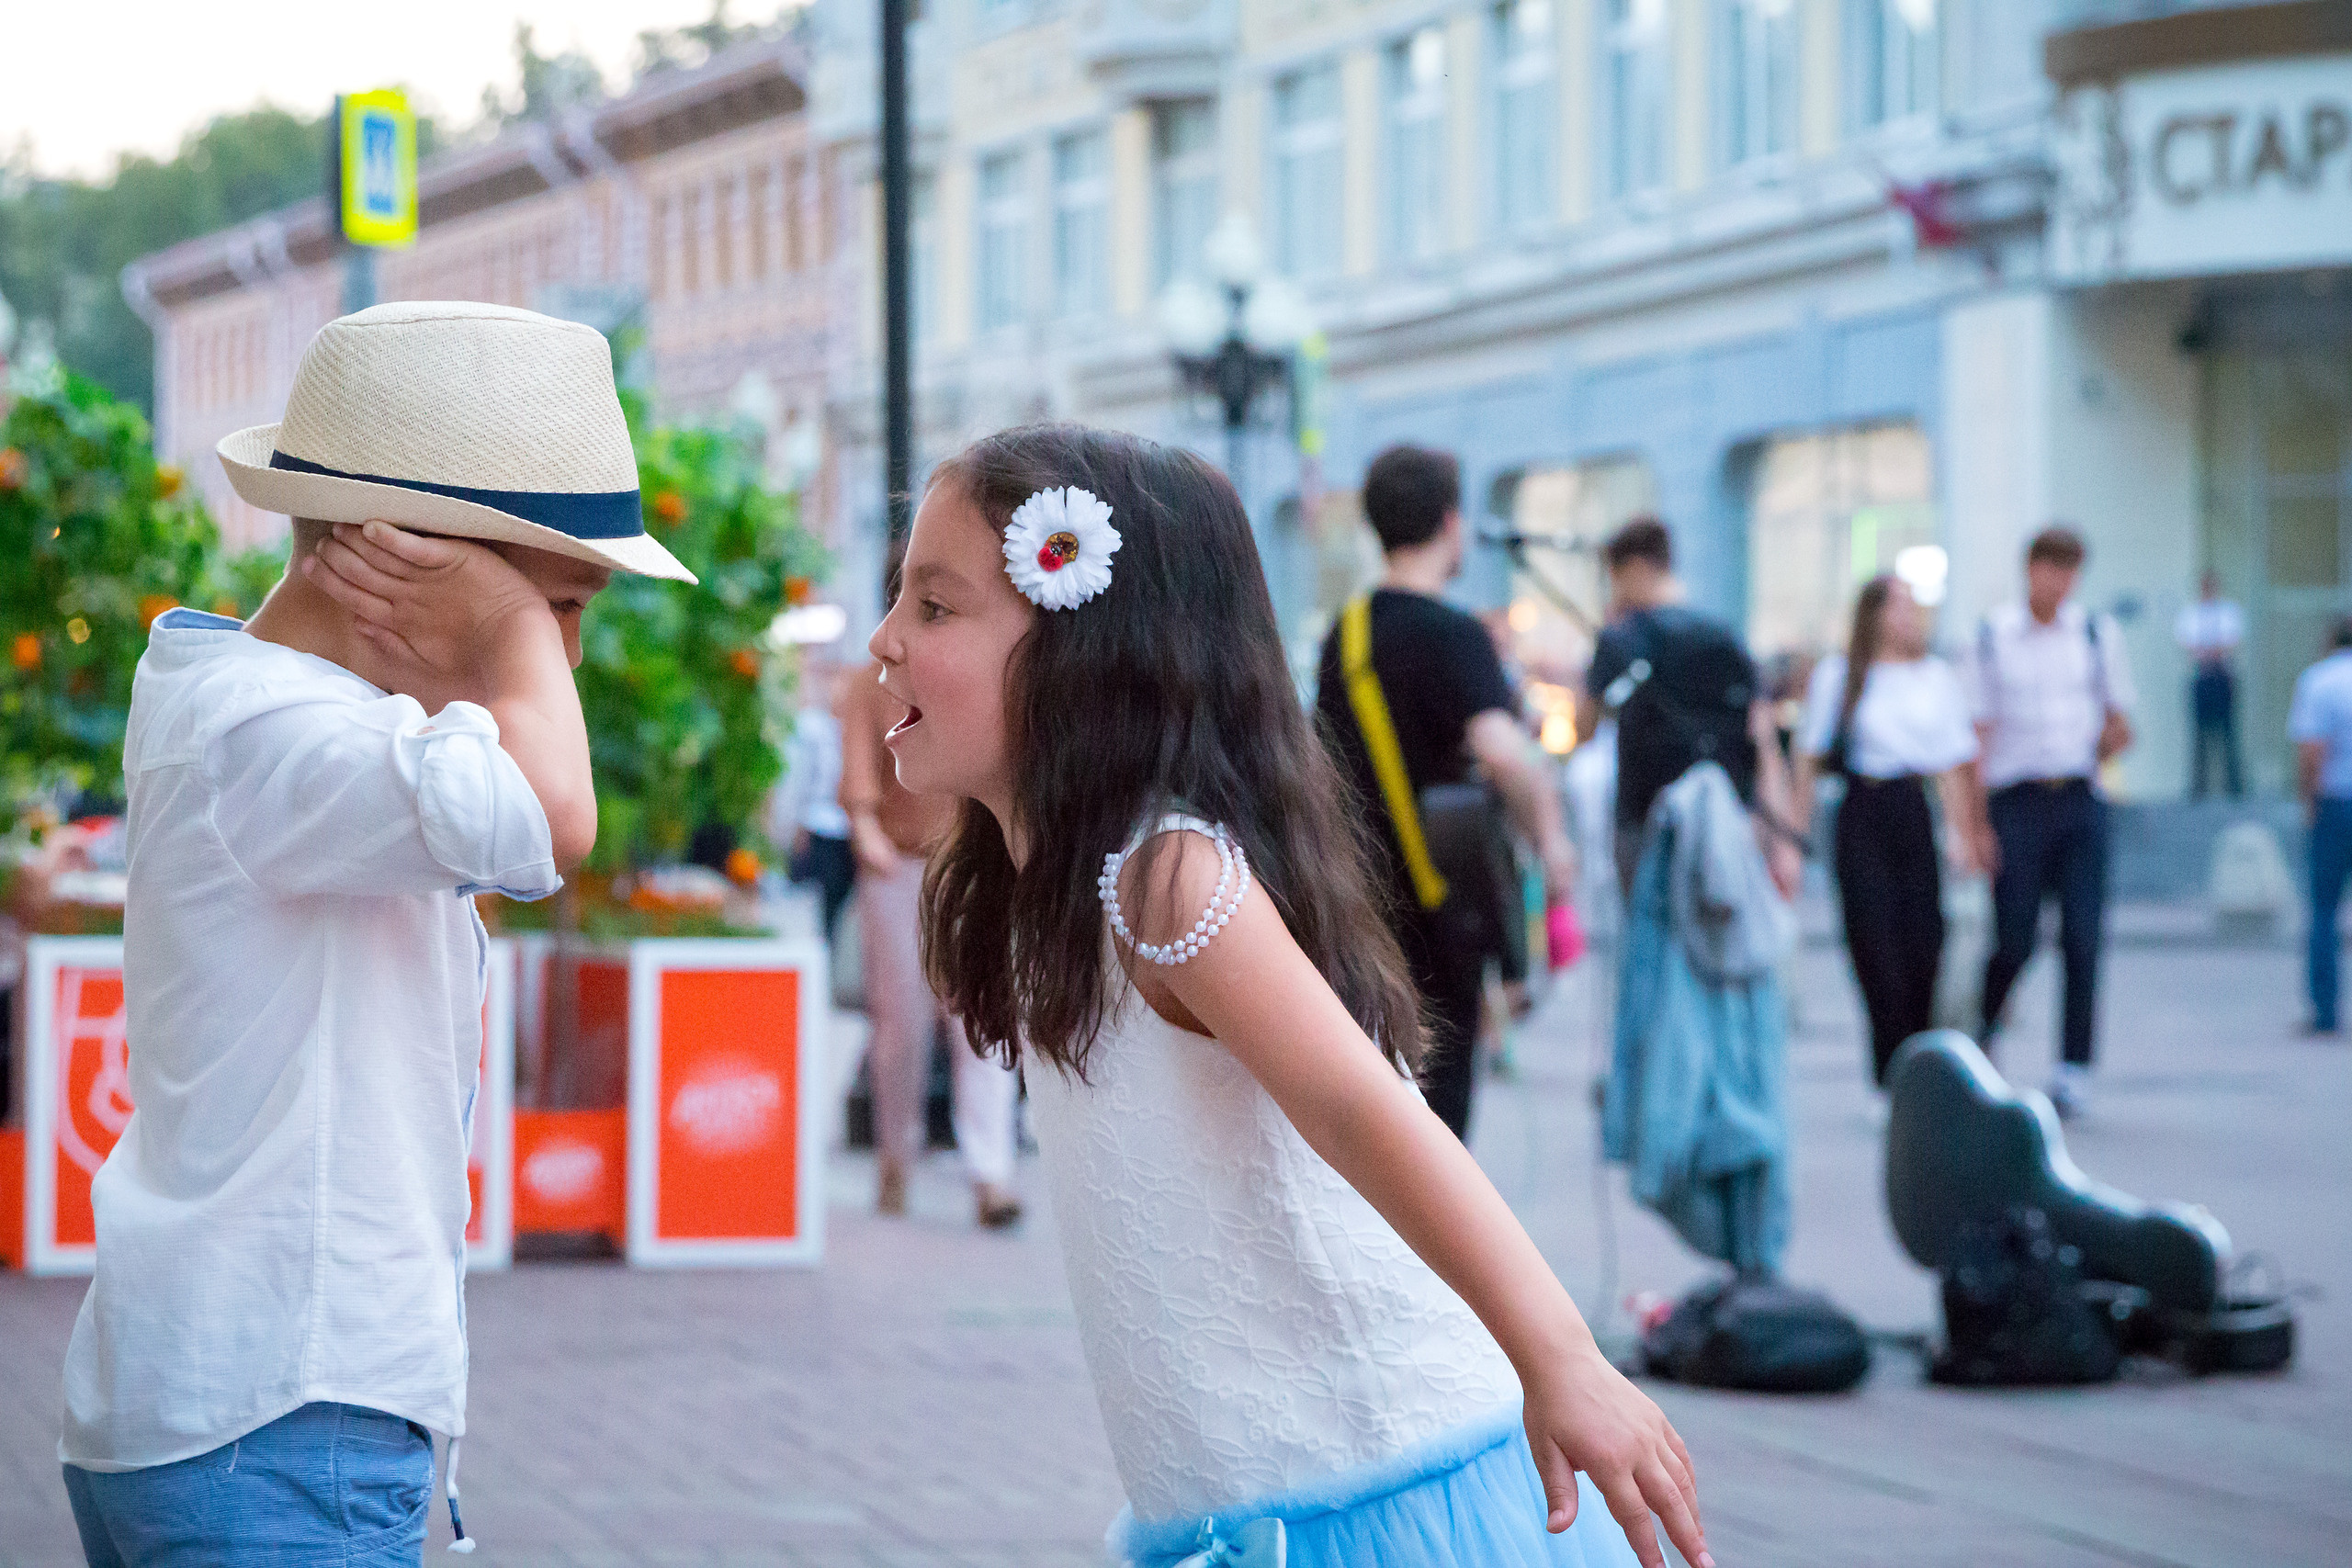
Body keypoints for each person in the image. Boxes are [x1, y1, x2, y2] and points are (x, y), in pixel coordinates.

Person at [882, 424, 1707, 1568]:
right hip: (1233, 1514)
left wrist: (1560, 1358)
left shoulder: (1163, 877)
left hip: (1381, 1498)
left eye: (933, 607)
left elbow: (1364, 1110)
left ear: (1085, 648)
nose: (883, 641)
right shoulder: (1042, 889)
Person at [61, 301, 692, 1562]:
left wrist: (500, 615)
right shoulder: (280, 732)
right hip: (283, 1416)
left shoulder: (272, 719)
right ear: (399, 557)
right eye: (560, 605)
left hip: (249, 1411)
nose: (563, 656)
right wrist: (504, 627)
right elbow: (552, 819)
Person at [1313, 445, 1577, 1141]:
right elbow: (1506, 753)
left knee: (1382, 1106)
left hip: (1363, 902)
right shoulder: (1455, 633)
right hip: (1444, 903)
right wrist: (1551, 840)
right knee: (1442, 1112)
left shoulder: (1348, 633)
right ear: (1452, 524)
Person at [841, 654, 1023, 1227]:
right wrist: (870, 842)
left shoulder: (980, 670)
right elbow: (857, 786)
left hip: (973, 866)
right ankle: (895, 1161)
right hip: (897, 869)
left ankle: (990, 1176)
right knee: (900, 1030)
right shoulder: (866, 683)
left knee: (985, 1023)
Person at [1962, 525, 2137, 1120]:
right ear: (2031, 570)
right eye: (2051, 570)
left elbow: (2122, 720)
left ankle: (2073, 1066)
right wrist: (1976, 825)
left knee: (2083, 937)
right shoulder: (1994, 638)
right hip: (2017, 800)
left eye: (2070, 574)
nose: (2060, 584)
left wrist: (2100, 744)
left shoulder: (2094, 634)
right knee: (2014, 933)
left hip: (2079, 797)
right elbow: (1977, 737)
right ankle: (1986, 1026)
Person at [1792, 575, 1985, 1086]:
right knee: (1874, 946)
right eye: (1897, 607)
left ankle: (1918, 1068)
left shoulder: (1935, 677)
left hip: (1913, 810)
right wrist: (1792, 839)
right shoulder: (1841, 677)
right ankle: (1888, 1074)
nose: (1907, 617)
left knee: (1925, 945)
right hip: (1863, 811)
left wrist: (1966, 835)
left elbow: (1954, 766)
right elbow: (1808, 761)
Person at [1577, 517, 1801, 900]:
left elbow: (1582, 729)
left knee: (1650, 946)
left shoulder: (1623, 639)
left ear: (1632, 570)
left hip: (1646, 821)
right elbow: (1764, 744)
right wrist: (1783, 843)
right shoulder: (1724, 637)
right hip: (1727, 817)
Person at [2289, 618, 2352, 1035]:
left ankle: (2325, 1010)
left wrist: (2309, 803)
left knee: (2324, 909)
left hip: (2336, 804)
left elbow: (2313, 752)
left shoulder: (2321, 681)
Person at [774, 655, 855, 942]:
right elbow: (796, 783)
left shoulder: (855, 729)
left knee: (833, 914)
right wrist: (793, 827)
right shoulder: (812, 728)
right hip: (815, 827)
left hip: (847, 833)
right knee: (806, 910)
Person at [2176, 570, 2245, 799]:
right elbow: (2188, 645)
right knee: (2200, 735)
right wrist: (2208, 651)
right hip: (2201, 678)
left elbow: (2230, 642)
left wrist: (2208, 651)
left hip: (2224, 678)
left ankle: (2235, 787)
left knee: (2228, 733)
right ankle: (2199, 788)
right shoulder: (2190, 613)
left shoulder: (2229, 611)